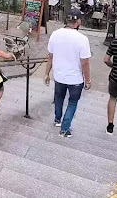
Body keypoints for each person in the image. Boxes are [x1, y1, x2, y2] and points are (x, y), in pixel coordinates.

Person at [44, 9, 92, 138]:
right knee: (72, 102)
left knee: (59, 97)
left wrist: (46, 73)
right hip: (75, 79)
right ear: (78, 22)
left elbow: (50, 56)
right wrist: (87, 80)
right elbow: (85, 62)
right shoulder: (82, 39)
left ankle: (57, 119)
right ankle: (65, 129)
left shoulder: (55, 34)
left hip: (59, 75)